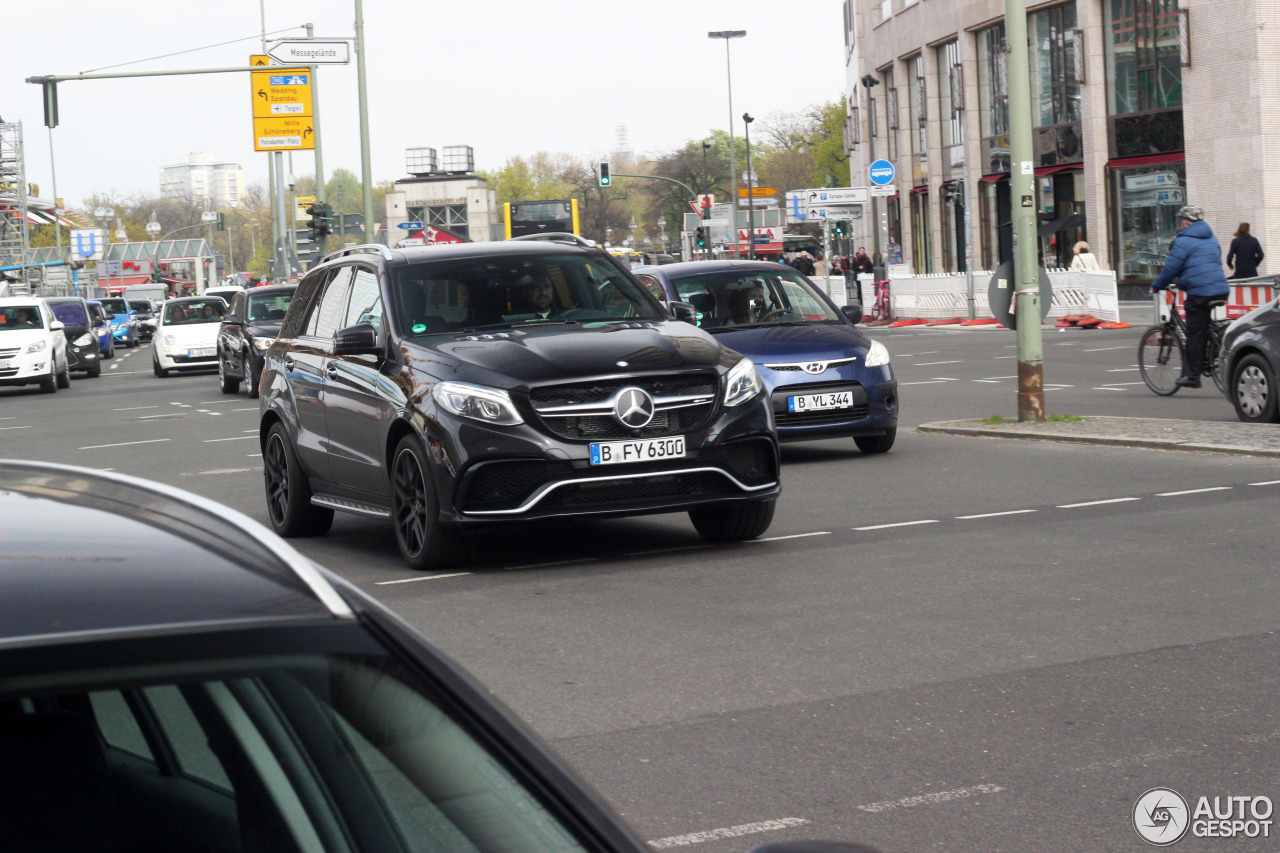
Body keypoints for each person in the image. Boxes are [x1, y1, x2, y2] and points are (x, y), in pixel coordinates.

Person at [1150, 205, 1230, 389]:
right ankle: (1209, 353)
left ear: (1186, 222)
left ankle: (1192, 376)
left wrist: (1157, 286)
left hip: (1200, 292)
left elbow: (1171, 268)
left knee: (1194, 333)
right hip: (1219, 288)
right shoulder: (1212, 238)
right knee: (1203, 327)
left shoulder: (1183, 241)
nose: (1180, 224)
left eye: (1181, 221)